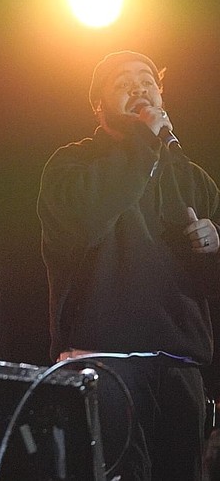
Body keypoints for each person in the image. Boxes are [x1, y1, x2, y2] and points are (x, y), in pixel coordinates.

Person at [37, 50, 220, 479]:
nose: (139, 88)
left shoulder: (193, 179)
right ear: (98, 105)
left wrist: (216, 245)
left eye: (148, 81)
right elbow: (82, 222)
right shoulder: (71, 163)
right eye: (123, 82)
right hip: (102, 359)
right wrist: (143, 144)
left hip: (178, 365)